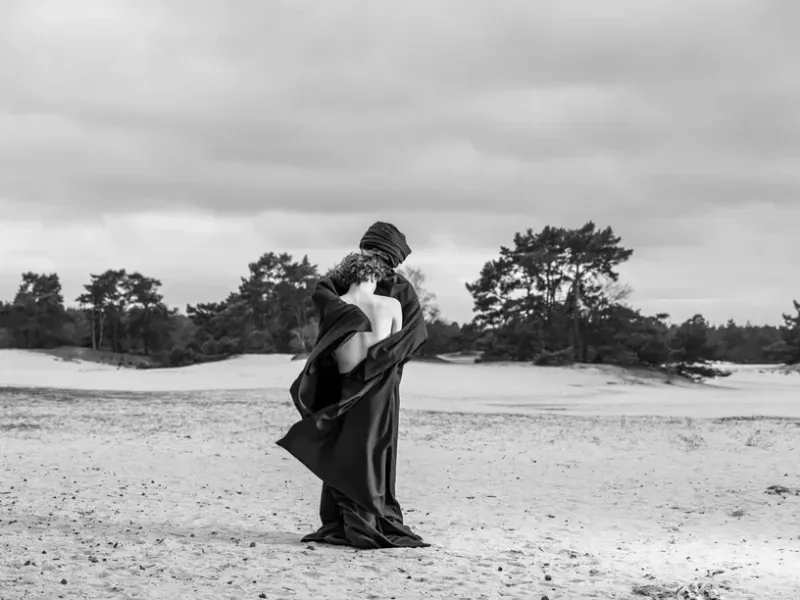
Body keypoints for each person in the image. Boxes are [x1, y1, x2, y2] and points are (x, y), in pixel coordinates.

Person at [276, 222, 429, 549]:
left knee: (344, 450)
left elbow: (326, 350)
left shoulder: (336, 302)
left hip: (344, 386)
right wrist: (376, 367)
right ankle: (367, 520)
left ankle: (343, 521)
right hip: (377, 388)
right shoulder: (392, 303)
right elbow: (397, 347)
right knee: (374, 451)